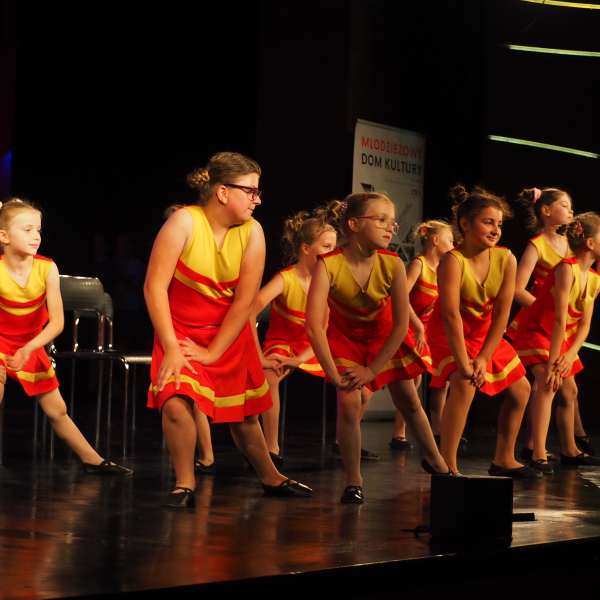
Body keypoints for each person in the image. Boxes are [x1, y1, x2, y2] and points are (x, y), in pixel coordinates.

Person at [144, 152, 312, 507]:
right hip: (180, 334)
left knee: (245, 416)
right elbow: (154, 287)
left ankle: (271, 477)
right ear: (222, 192)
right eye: (250, 191)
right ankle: (185, 482)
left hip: (228, 335)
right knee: (175, 402)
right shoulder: (184, 222)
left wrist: (213, 352)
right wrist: (171, 346)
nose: (257, 199)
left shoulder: (253, 232)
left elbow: (244, 303)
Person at [306, 192, 451, 505]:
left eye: (392, 222)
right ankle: (353, 481)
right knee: (348, 402)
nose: (389, 228)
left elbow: (400, 325)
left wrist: (373, 369)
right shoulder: (328, 265)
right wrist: (334, 375)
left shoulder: (392, 263)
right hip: (346, 340)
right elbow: (315, 327)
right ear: (354, 224)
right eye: (381, 219)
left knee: (409, 401)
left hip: (384, 337)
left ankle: (438, 463)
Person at [0, 198, 131, 475]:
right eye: (27, 230)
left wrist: (28, 348)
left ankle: (92, 460)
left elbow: (57, 323)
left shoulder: (47, 268)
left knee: (57, 409)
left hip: (30, 343)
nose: (36, 236)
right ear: (4, 236)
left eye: (38, 229)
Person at [427, 185, 540, 478]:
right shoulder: (453, 261)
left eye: (499, 224)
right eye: (488, 222)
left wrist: (483, 357)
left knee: (521, 390)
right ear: (465, 224)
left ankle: (504, 459)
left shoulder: (506, 259)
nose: (496, 230)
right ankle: (446, 465)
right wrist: (464, 362)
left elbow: (502, 314)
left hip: (484, 333)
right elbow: (450, 315)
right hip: (449, 334)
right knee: (464, 382)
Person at [507, 187, 594, 459]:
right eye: (564, 205)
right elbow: (517, 288)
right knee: (545, 382)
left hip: (562, 324)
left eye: (571, 206)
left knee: (567, 387)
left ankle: (570, 444)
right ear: (546, 211)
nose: (571, 210)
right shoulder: (537, 245)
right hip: (540, 321)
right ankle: (534, 446)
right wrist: (544, 307)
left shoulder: (573, 247)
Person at [390, 220, 455, 450]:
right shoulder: (420, 264)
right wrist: (417, 326)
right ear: (435, 240)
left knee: (442, 379)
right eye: (450, 240)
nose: (453, 245)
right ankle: (399, 432)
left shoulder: (445, 269)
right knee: (413, 378)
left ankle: (439, 429)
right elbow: (401, 297)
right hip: (410, 326)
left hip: (430, 329)